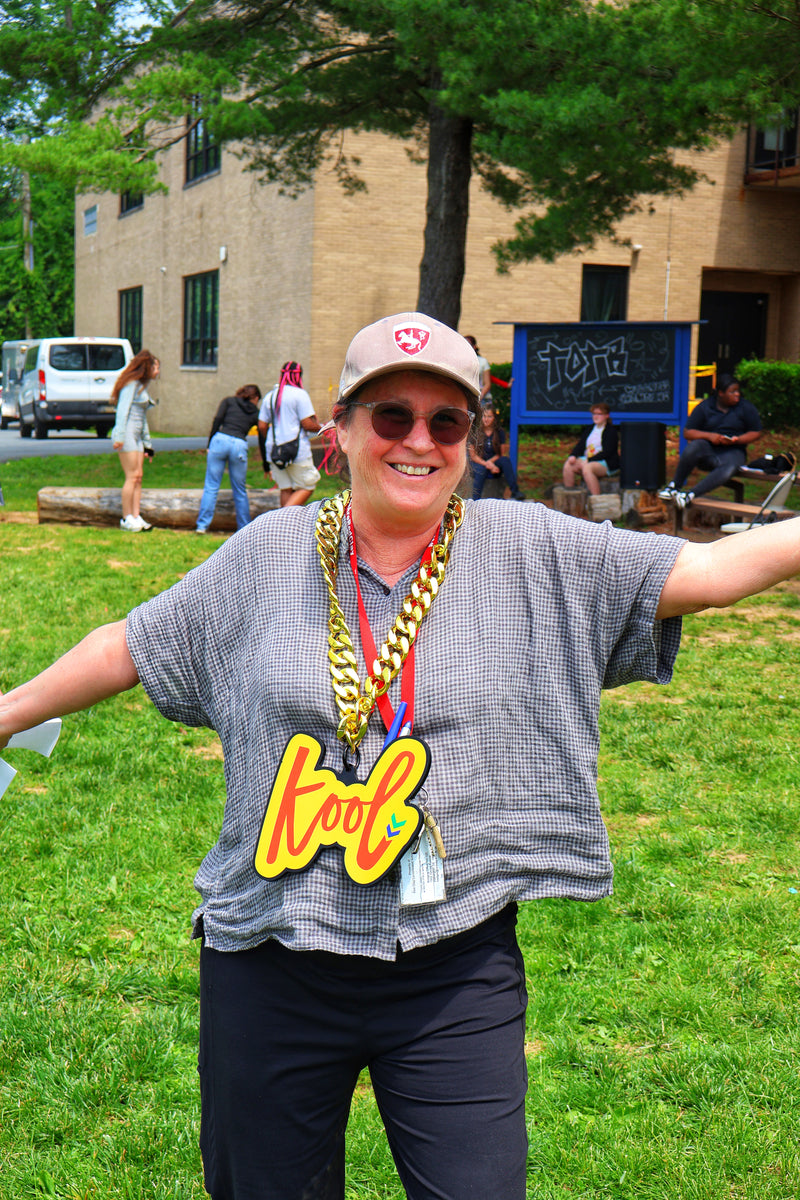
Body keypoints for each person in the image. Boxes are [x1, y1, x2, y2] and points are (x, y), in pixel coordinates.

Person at [3, 311, 800, 1200]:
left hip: (454, 958)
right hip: (272, 948)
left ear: (470, 439)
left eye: (446, 422)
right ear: (338, 431)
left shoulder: (530, 547)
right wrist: (7, 713)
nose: (418, 441)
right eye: (391, 417)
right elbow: (133, 644)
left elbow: (706, 573)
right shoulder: (268, 554)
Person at [658, 374, 762, 509]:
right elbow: (688, 432)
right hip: (708, 450)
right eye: (732, 392)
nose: (737, 394)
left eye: (738, 391)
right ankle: (674, 487)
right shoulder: (705, 407)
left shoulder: (745, 407)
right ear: (720, 393)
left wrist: (738, 440)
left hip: (733, 451)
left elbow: (756, 432)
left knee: (730, 466)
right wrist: (710, 436)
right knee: (694, 447)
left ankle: (690, 494)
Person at [196, 385, 262, 534]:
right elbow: (262, 432)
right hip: (239, 444)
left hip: (220, 440)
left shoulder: (228, 401)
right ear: (256, 398)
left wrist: (210, 443)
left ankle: (202, 526)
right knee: (239, 489)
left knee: (211, 486)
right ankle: (244, 528)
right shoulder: (255, 412)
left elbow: (217, 419)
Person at [258, 360, 322, 506]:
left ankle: (282, 525)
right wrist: (322, 428)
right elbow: (307, 424)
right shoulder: (300, 394)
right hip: (296, 451)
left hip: (274, 450)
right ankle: (283, 520)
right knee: (307, 486)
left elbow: (262, 425)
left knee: (285, 489)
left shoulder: (270, 396)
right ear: (299, 376)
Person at [110, 349, 160, 532]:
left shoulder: (141, 386)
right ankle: (126, 518)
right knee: (131, 476)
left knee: (139, 476)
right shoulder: (130, 384)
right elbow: (122, 412)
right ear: (147, 367)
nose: (158, 371)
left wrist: (148, 445)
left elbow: (143, 419)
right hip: (128, 434)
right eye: (156, 367)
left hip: (138, 435)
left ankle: (136, 515)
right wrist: (120, 437)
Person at [468, 401, 526, 500]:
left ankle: (515, 491)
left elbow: (500, 453)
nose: (486, 419)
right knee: (481, 470)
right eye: (484, 416)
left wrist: (491, 463)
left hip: (494, 461)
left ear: (494, 418)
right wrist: (487, 465)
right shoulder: (475, 432)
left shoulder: (499, 432)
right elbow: (473, 456)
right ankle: (475, 499)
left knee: (505, 461)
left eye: (489, 416)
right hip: (478, 462)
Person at [562, 402, 620, 495]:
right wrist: (573, 455)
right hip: (588, 459)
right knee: (568, 465)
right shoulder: (589, 429)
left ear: (606, 415)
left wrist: (590, 460)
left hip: (605, 462)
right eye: (594, 414)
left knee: (587, 468)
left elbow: (608, 452)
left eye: (599, 414)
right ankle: (570, 495)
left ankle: (596, 498)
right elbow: (580, 445)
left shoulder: (611, 431)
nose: (596, 416)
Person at [465, 334, 492, 401]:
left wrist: (480, 397)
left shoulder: (482, 362)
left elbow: (487, 383)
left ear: (474, 347)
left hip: (481, 397)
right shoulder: (459, 361)